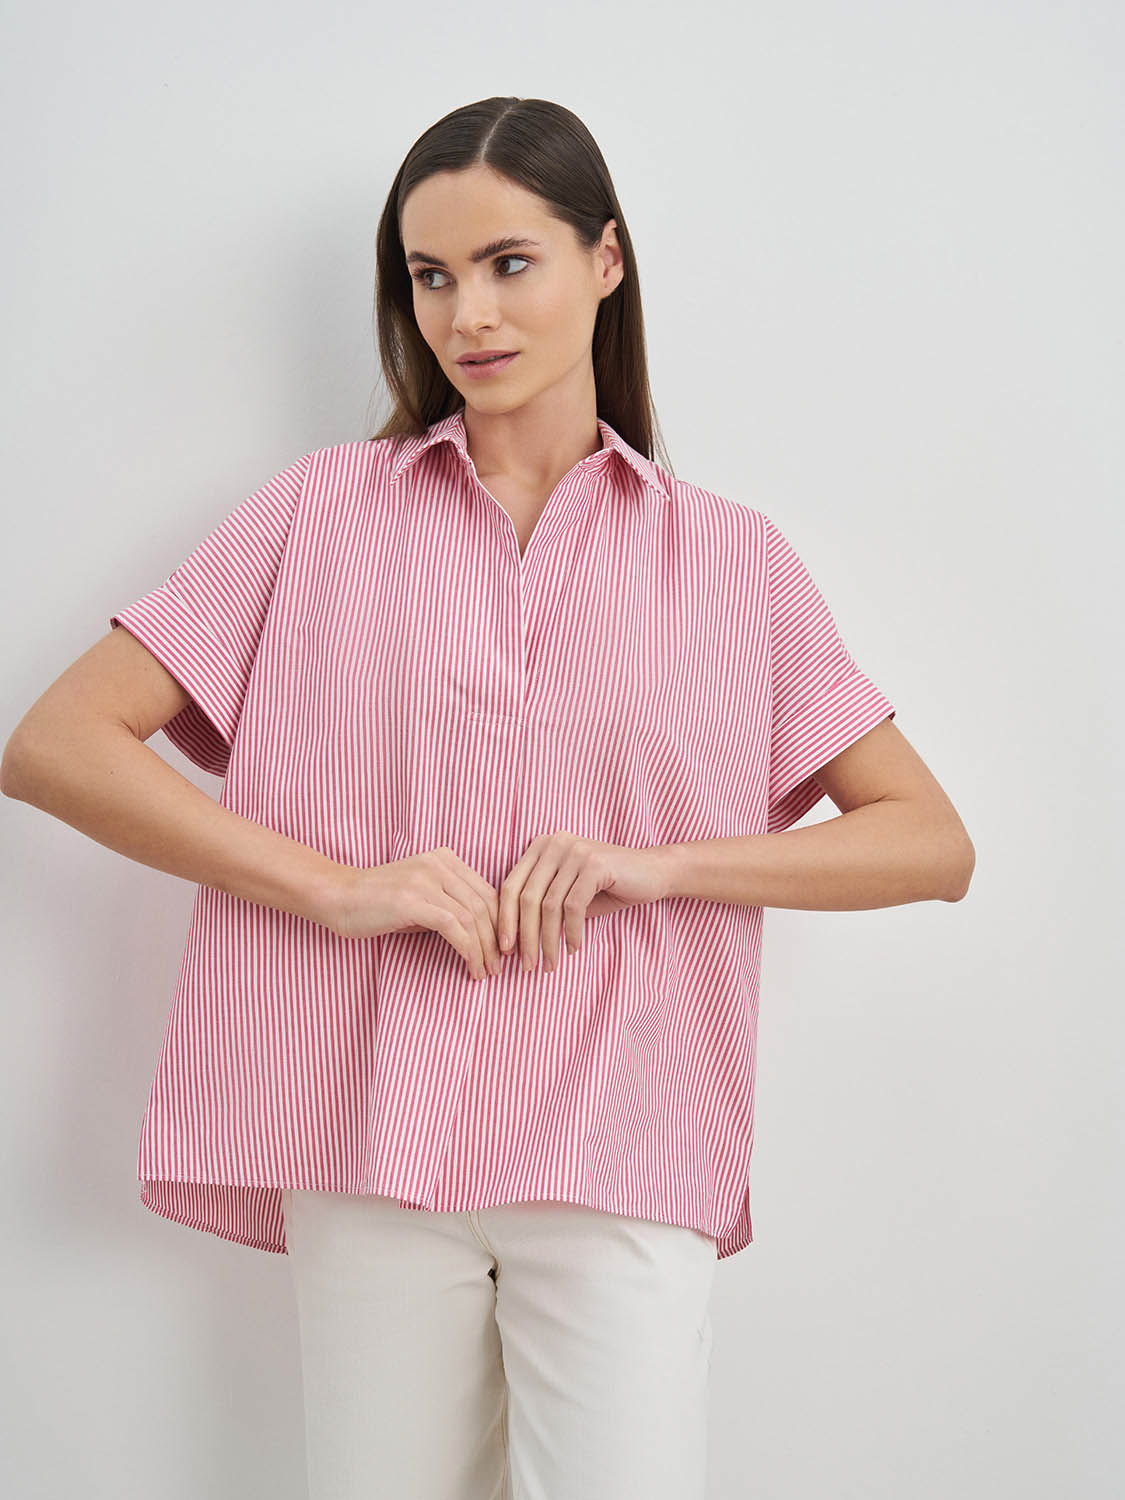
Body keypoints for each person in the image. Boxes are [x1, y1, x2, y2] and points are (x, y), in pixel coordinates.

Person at [0, 95, 975, 1500]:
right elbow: (56, 743)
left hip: (623, 1139)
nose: (468, 314)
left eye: (510, 262)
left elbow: (929, 842)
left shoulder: (729, 561)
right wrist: (339, 887)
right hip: (371, 1137)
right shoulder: (319, 515)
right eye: (431, 275)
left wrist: (658, 864)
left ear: (606, 259)